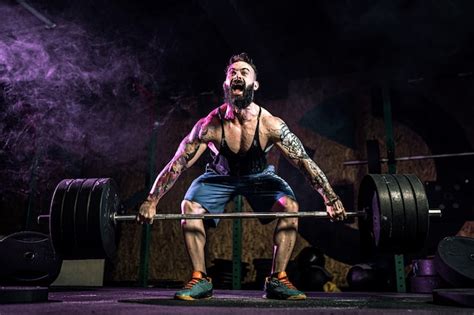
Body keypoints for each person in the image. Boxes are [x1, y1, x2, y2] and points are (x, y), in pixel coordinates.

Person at [137, 53, 346, 300]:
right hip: (219, 176)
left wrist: (330, 199)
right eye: (232, 73)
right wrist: (151, 200)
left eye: (244, 72)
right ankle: (199, 278)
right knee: (188, 206)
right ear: (226, 84)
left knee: (290, 206)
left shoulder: (270, 124)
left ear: (255, 84)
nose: (237, 75)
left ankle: (278, 279)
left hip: (259, 177)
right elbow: (178, 163)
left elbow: (303, 162)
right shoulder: (209, 125)